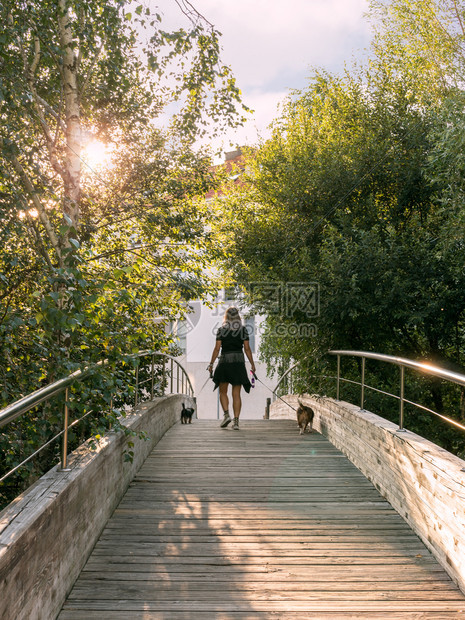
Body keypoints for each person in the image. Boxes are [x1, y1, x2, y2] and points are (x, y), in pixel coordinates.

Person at [208, 307, 256, 430]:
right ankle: (236, 422)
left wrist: (211, 364)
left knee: (223, 392)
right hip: (238, 362)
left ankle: (226, 415)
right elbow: (247, 349)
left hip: (225, 362)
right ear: (238, 317)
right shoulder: (243, 330)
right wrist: (252, 364)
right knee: (236, 394)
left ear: (226, 317)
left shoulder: (221, 330)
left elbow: (217, 348)